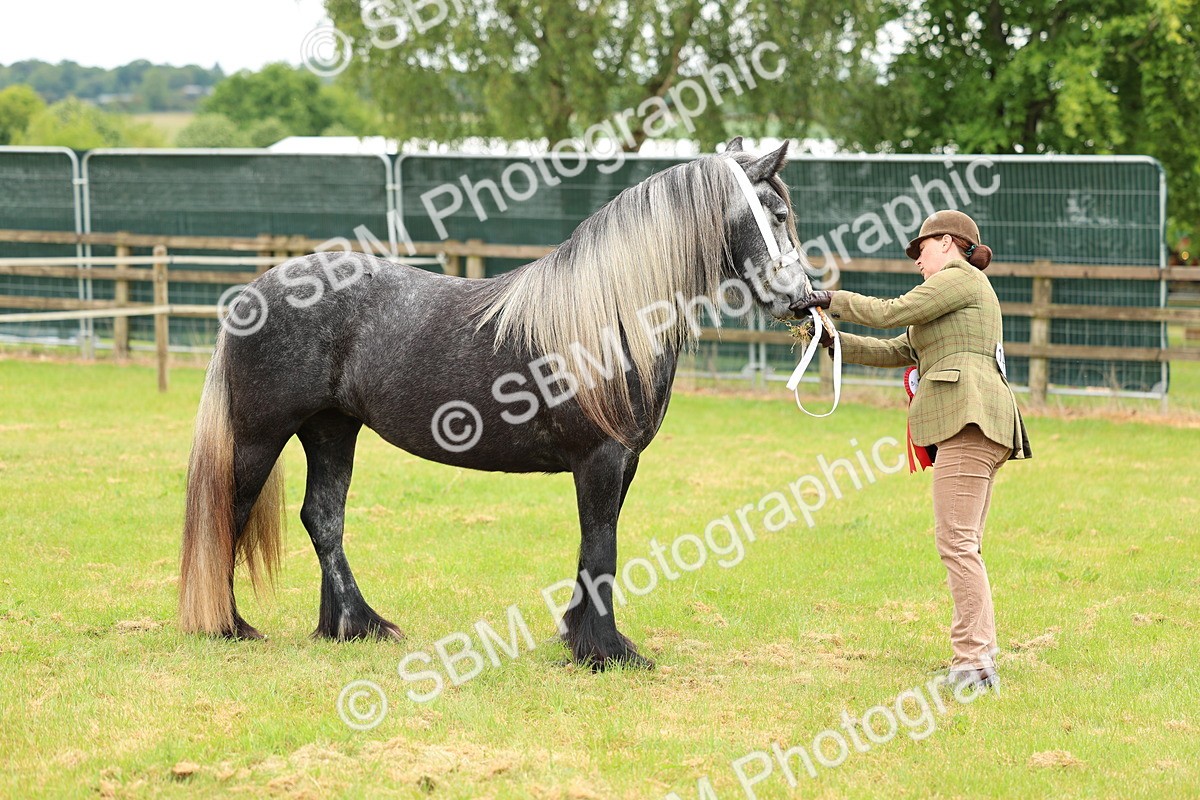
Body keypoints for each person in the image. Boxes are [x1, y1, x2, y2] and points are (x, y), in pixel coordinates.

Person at [793, 209, 1031, 691]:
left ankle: (975, 666)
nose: (917, 261)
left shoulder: (959, 279)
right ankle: (979, 655)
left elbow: (892, 312)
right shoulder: (950, 300)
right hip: (979, 420)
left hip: (970, 416)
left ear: (946, 242)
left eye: (919, 250)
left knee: (957, 544)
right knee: (966, 544)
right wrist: (828, 339)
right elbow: (895, 348)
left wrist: (832, 299)